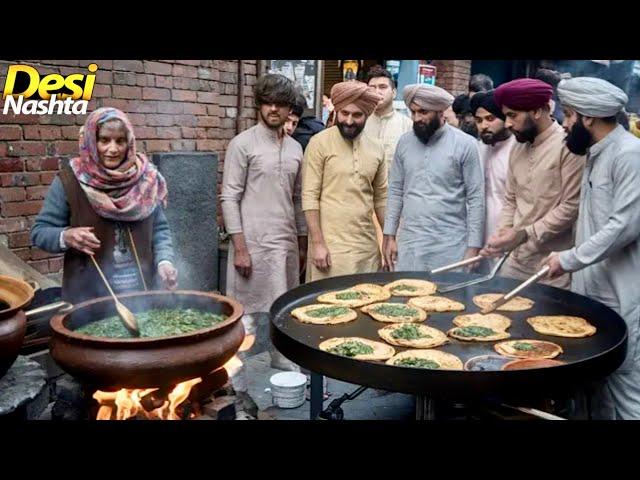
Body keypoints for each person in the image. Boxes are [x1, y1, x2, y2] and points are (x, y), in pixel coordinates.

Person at [543, 77, 640, 419]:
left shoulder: (630, 155)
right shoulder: (595, 154)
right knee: (592, 387)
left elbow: (622, 226)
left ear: (587, 117)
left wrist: (569, 259)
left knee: (626, 389)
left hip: (623, 293)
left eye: (568, 115)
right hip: (592, 290)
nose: (564, 123)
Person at [31, 107, 177, 304]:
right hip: (88, 299)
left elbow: (159, 229)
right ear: (92, 141)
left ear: (130, 143)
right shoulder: (70, 181)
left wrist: (164, 261)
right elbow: (39, 232)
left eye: (120, 141)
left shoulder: (146, 179)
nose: (113, 149)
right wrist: (66, 236)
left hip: (142, 293)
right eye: (104, 140)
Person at [220, 74, 306, 371]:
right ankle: (234, 364)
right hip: (252, 243)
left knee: (282, 306)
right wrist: (240, 248)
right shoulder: (242, 144)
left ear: (289, 109)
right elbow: (229, 198)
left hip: (285, 243)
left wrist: (302, 243)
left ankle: (279, 356)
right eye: (267, 103)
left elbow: (297, 199)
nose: (273, 109)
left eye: (280, 104)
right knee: (245, 310)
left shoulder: (296, 148)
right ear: (259, 105)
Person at [481, 78, 585, 289]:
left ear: (538, 111)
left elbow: (571, 207)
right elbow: (511, 198)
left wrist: (523, 234)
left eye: (513, 115)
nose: (508, 124)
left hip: (552, 266)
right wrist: (503, 235)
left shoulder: (568, 147)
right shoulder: (518, 146)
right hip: (514, 261)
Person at [383, 83, 485, 272]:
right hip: (410, 243)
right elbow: (395, 191)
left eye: (423, 112)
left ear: (440, 112)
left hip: (450, 246)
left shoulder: (466, 144)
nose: (416, 118)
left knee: (447, 299)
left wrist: (473, 247)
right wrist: (388, 235)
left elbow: (476, 197)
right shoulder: (404, 143)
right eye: (412, 112)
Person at [302, 81, 386, 281]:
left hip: (366, 249)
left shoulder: (377, 147)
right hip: (330, 249)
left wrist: (389, 238)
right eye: (344, 113)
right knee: (328, 308)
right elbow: (310, 196)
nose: (349, 121)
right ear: (336, 111)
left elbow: (381, 197)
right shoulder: (319, 143)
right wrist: (318, 244)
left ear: (367, 115)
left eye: (357, 115)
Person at [470, 90, 516, 244]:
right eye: (478, 120)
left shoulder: (519, 149)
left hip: (509, 236)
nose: (483, 126)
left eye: (490, 118)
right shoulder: (478, 149)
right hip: (478, 236)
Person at [363, 65, 413, 170]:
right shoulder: (360, 122)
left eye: (383, 87)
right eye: (372, 88)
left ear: (394, 93)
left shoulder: (407, 125)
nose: (377, 92)